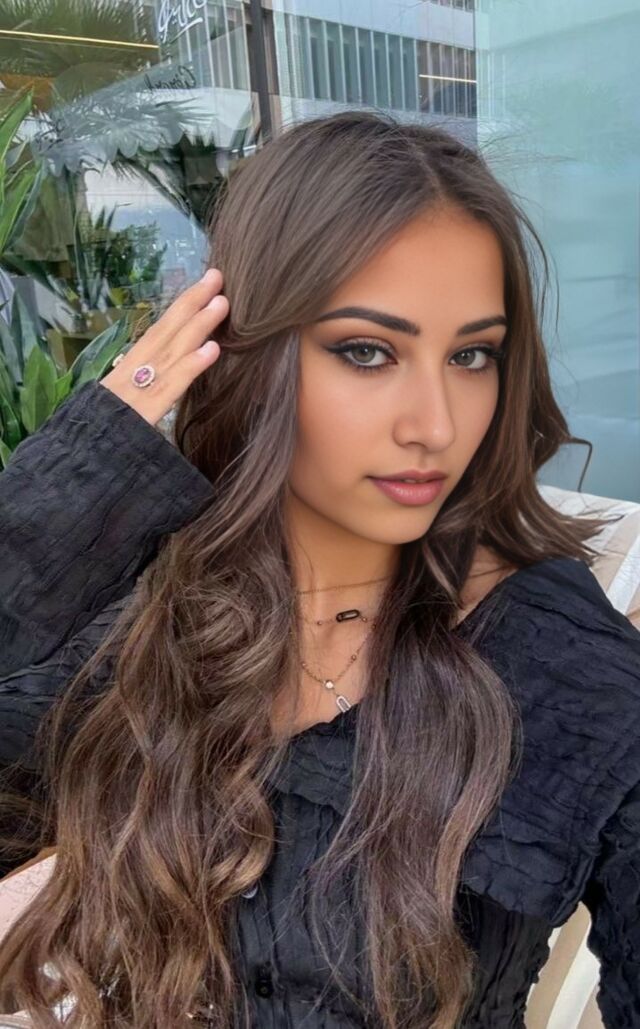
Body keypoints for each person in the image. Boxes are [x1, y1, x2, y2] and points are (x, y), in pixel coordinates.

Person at [0, 110, 638, 1028]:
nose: (435, 424)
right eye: (368, 351)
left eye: (472, 355)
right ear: (248, 355)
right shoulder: (145, 606)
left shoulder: (565, 671)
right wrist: (80, 480)